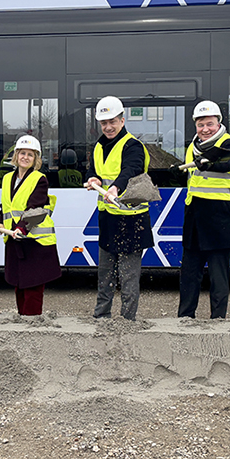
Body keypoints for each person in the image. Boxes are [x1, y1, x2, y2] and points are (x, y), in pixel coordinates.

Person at [174, 101, 230, 319]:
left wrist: (209, 163)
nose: (205, 129)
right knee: (189, 275)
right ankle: (185, 319)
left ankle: (218, 320)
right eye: (200, 125)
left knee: (218, 277)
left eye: (210, 124)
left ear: (219, 123)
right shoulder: (192, 147)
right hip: (194, 218)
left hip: (219, 219)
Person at [85, 96, 151, 320]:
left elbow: (130, 169)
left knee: (128, 275)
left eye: (112, 121)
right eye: (103, 123)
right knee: (105, 271)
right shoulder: (98, 146)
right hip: (108, 217)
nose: (108, 127)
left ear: (122, 120)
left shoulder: (133, 145)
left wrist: (115, 188)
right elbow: (92, 170)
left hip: (132, 219)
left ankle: (127, 319)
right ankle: (102, 315)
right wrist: (92, 178)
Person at [0, 135, 62, 315]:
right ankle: (23, 318)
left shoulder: (40, 179)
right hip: (15, 240)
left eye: (30, 155)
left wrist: (21, 228)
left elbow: (35, 208)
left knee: (33, 286)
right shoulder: (8, 178)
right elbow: (6, 207)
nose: (25, 157)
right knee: (18, 284)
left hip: (35, 241)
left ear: (36, 159)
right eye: (22, 153)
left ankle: (32, 321)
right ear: (16, 155)